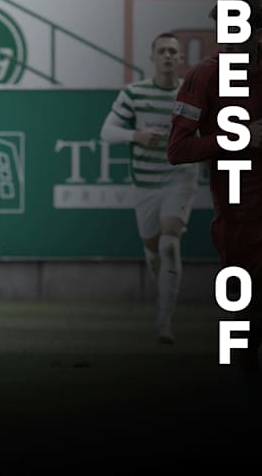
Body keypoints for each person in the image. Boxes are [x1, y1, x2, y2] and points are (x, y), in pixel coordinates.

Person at [168, 0, 262, 388]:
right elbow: (177, 150)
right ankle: (242, 363)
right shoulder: (203, 76)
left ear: (257, 30)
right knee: (255, 303)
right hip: (241, 207)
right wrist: (238, 138)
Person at [100, 32, 199, 344]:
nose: (168, 56)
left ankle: (164, 320)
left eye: (173, 51)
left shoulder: (194, 94)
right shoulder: (134, 93)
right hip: (144, 181)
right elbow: (107, 131)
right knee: (154, 249)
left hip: (179, 175)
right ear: (153, 57)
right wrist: (137, 136)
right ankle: (163, 293)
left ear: (181, 58)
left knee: (170, 242)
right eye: (163, 51)